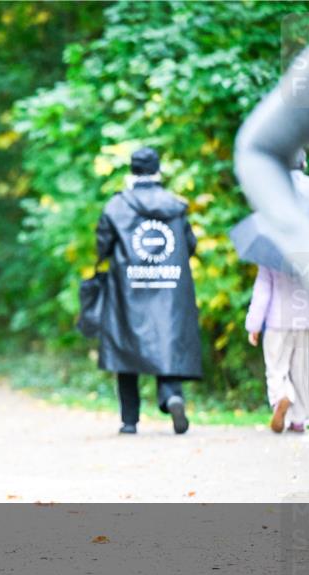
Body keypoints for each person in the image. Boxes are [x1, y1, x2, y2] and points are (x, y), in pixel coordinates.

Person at [234, 30, 309, 481]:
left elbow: (264, 280)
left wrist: (252, 321)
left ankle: (286, 401)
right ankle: (298, 407)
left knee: (279, 361)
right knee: (298, 362)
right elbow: (257, 149)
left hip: (284, 306)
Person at [95, 147, 202, 435]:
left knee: (125, 346)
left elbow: (102, 247)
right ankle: (171, 397)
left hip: (128, 290)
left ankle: (130, 421)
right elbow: (190, 245)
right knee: (167, 343)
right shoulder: (175, 205)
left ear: (132, 170)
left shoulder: (117, 206)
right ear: (158, 170)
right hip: (169, 290)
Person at [244, 150, 309, 433]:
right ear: (304, 163)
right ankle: (300, 418)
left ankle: (280, 397)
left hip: (276, 317)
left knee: (276, 364)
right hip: (307, 313)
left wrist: (253, 323)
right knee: (301, 368)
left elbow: (263, 286)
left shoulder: (272, 196)